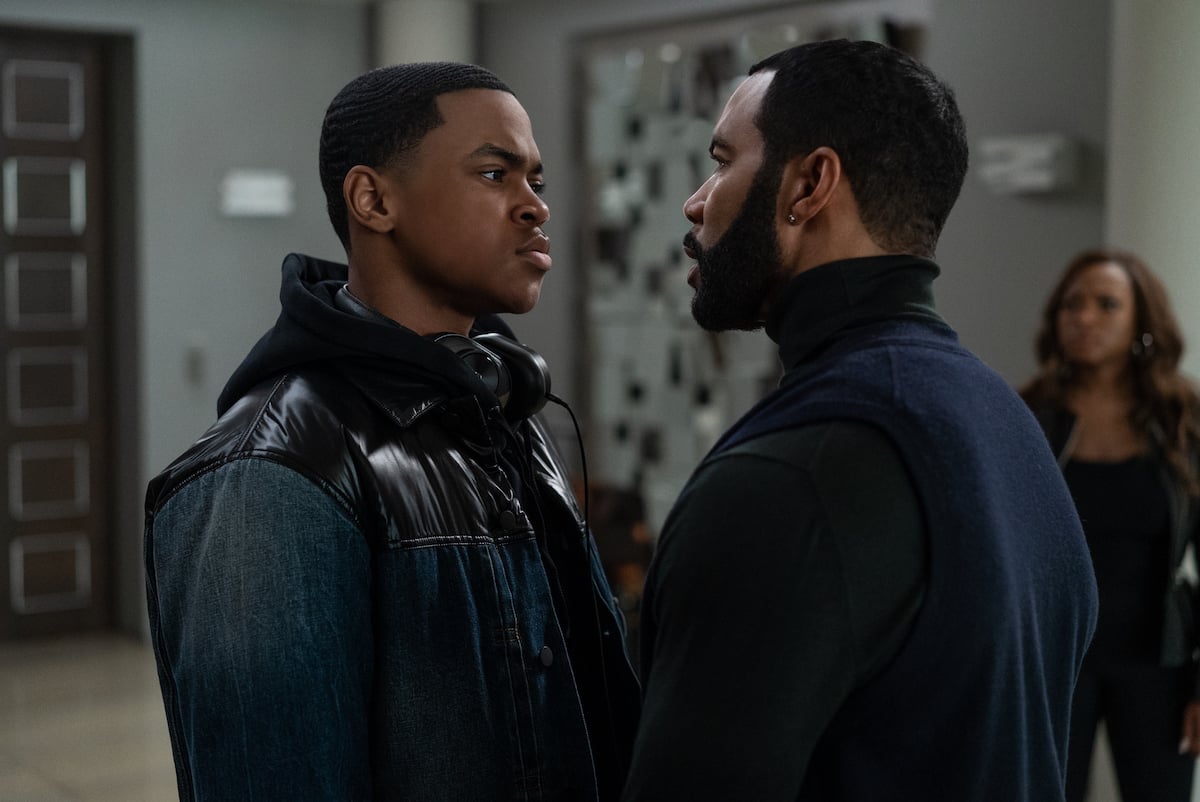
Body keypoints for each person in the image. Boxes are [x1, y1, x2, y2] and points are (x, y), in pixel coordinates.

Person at [143, 62, 640, 801]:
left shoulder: (500, 415)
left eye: (536, 180)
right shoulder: (271, 475)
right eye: (495, 173)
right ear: (373, 199)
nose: (533, 206)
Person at [619, 39, 1098, 802]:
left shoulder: (794, 475)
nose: (697, 200)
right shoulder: (1005, 422)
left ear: (808, 184)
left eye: (722, 160)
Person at [1020, 247, 1200, 802]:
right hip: (1053, 660)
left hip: (1158, 662)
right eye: (1072, 304)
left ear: (1141, 323)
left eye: (1106, 304)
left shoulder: (1181, 422)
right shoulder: (1028, 415)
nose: (1084, 317)